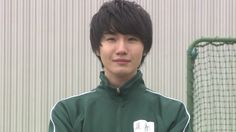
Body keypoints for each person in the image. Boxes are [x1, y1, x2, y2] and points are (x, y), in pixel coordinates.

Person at [48, 0, 192, 132]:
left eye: (131, 39)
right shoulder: (68, 112)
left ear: (145, 48)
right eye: (111, 39)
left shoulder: (173, 113)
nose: (121, 49)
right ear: (97, 48)